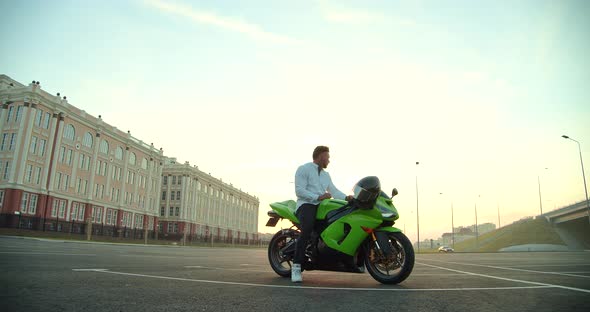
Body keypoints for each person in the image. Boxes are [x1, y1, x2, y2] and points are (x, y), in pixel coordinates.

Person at [291, 145, 353, 283]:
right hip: (306, 205)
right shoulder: (304, 169)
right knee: (307, 229)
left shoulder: (326, 175)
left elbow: (334, 191)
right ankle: (296, 267)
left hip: (321, 206)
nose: (329, 160)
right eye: (328, 157)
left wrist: (346, 198)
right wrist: (318, 197)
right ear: (320, 156)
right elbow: (299, 191)